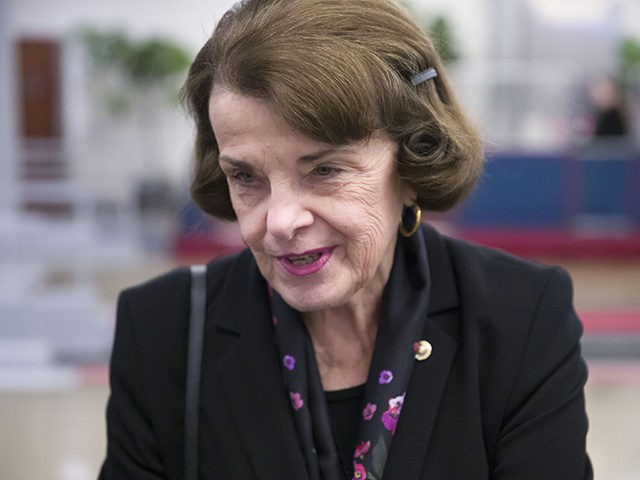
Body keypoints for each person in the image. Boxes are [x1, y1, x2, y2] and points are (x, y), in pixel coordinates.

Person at [99, 0, 592, 478]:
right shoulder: (164, 333)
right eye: (246, 177)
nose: (280, 222)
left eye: (325, 170)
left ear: (413, 160)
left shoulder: (522, 320)